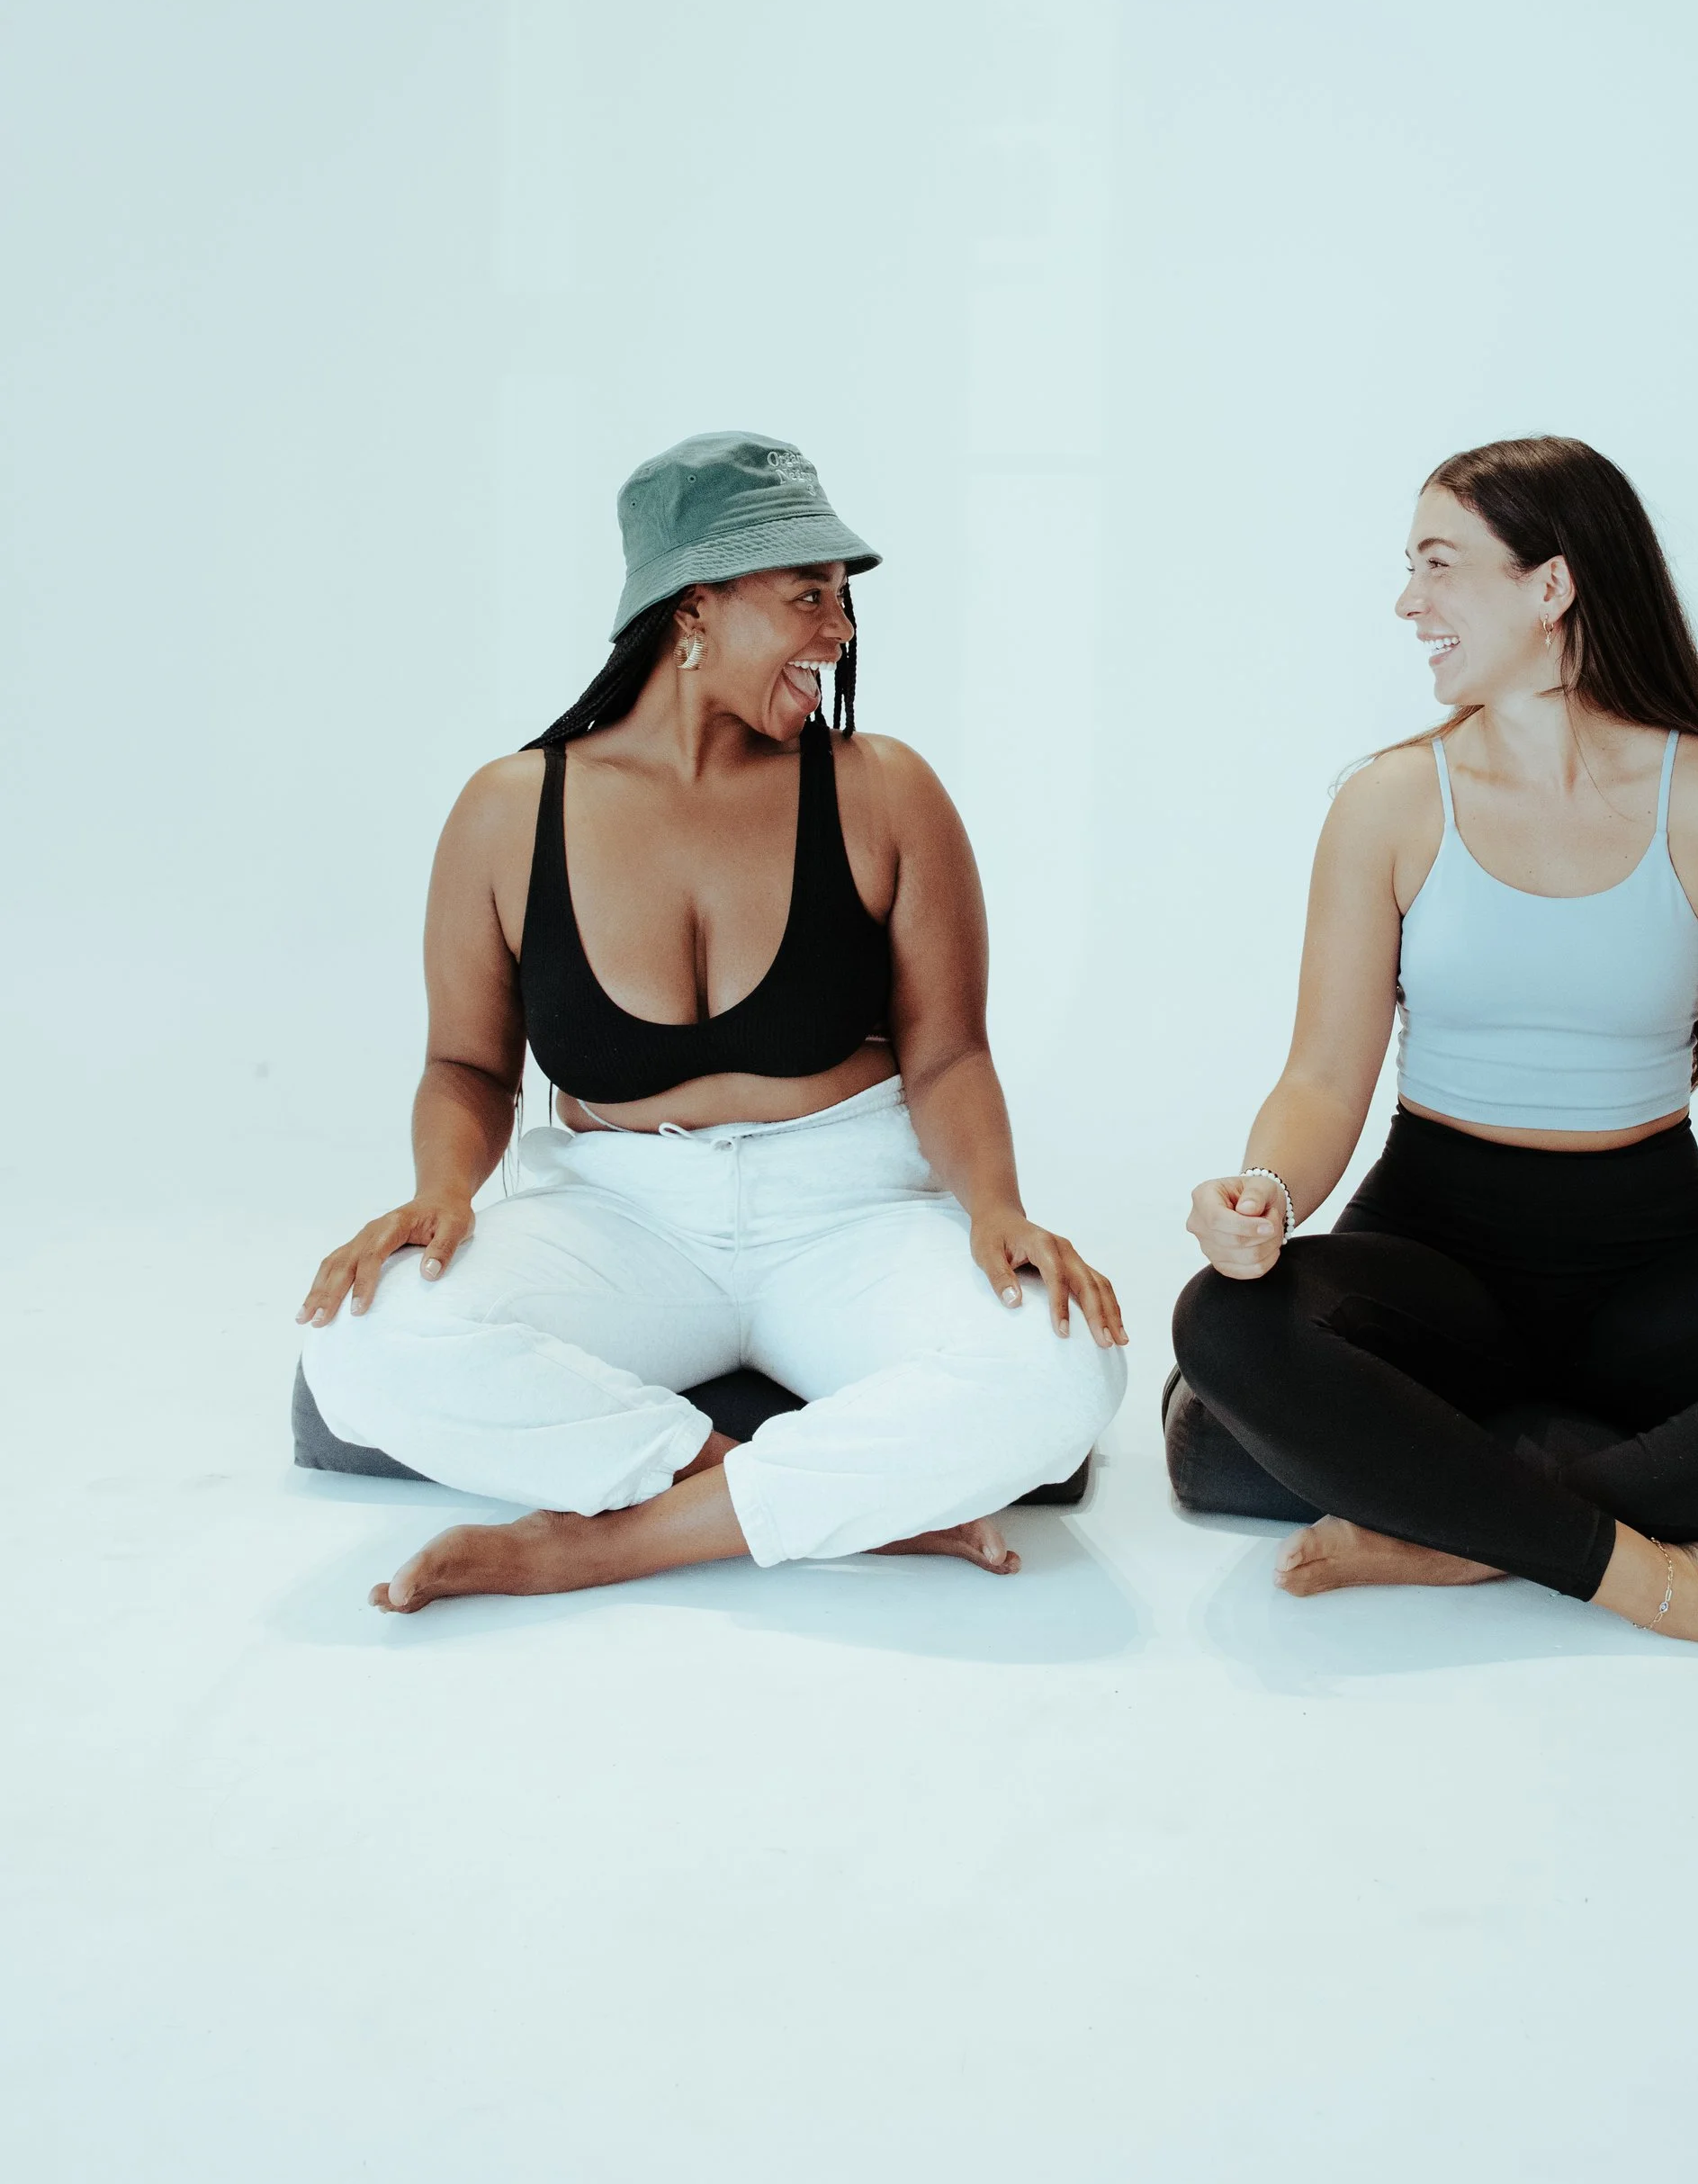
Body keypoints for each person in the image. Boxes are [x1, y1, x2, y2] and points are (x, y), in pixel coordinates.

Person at [1174, 436, 1698, 1667]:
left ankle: (1459, 1525)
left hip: (1649, 1267)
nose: (1410, 601)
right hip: (1432, 1253)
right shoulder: (1391, 804)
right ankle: (1677, 1584)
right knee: (1224, 1326)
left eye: (1439, 563)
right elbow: (1321, 1078)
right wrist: (1266, 1193)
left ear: (1549, 586)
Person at [299, 428, 1127, 1614]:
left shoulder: (883, 789)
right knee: (358, 1347)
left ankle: (600, 1544)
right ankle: (816, 1501)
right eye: (807, 595)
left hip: (850, 1212)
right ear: (695, 607)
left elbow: (947, 1052)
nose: (837, 630)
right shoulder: (507, 811)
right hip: (619, 1219)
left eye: (841, 597)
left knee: (1068, 1368)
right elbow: (466, 1063)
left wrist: (996, 1209)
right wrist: (443, 1194)